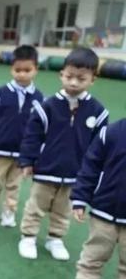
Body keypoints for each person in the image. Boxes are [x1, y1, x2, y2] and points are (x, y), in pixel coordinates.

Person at [18, 47, 108, 261]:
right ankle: (28, 236)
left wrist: (93, 173)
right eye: (69, 77)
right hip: (46, 169)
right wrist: (27, 161)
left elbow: (99, 147)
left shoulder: (98, 111)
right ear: (61, 74)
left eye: (81, 78)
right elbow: (32, 136)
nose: (74, 83)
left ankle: (55, 238)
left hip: (74, 174)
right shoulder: (46, 106)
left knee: (63, 210)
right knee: (36, 205)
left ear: (93, 79)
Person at [64, 119, 126, 279]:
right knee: (94, 253)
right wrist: (80, 197)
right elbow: (91, 164)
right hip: (104, 209)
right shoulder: (111, 132)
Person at [0, 45, 43, 227]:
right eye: (17, 70)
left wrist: (36, 152)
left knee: (14, 185)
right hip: (0, 148)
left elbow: (40, 130)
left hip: (22, 152)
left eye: (27, 70)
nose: (22, 74)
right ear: (11, 68)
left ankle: (9, 211)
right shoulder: (1, 94)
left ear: (36, 69)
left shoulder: (39, 98)